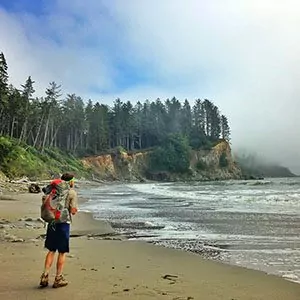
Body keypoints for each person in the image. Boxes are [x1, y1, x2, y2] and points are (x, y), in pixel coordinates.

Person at [39, 173, 78, 288]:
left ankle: (45, 276)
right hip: (63, 223)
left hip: (52, 223)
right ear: (71, 181)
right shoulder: (71, 192)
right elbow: (74, 211)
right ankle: (58, 278)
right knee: (62, 252)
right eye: (73, 181)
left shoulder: (52, 191)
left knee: (51, 250)